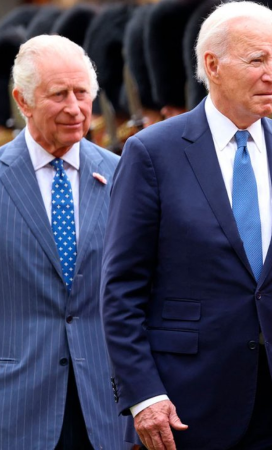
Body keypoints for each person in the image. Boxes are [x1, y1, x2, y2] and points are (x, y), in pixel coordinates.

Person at [100, 2, 272, 449]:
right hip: (184, 409)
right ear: (212, 65)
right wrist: (145, 396)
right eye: (257, 60)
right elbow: (121, 291)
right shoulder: (152, 153)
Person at [0, 34, 125, 449]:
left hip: (107, 410)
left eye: (83, 93)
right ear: (23, 100)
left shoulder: (123, 175)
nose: (75, 108)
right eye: (59, 94)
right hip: (16, 408)